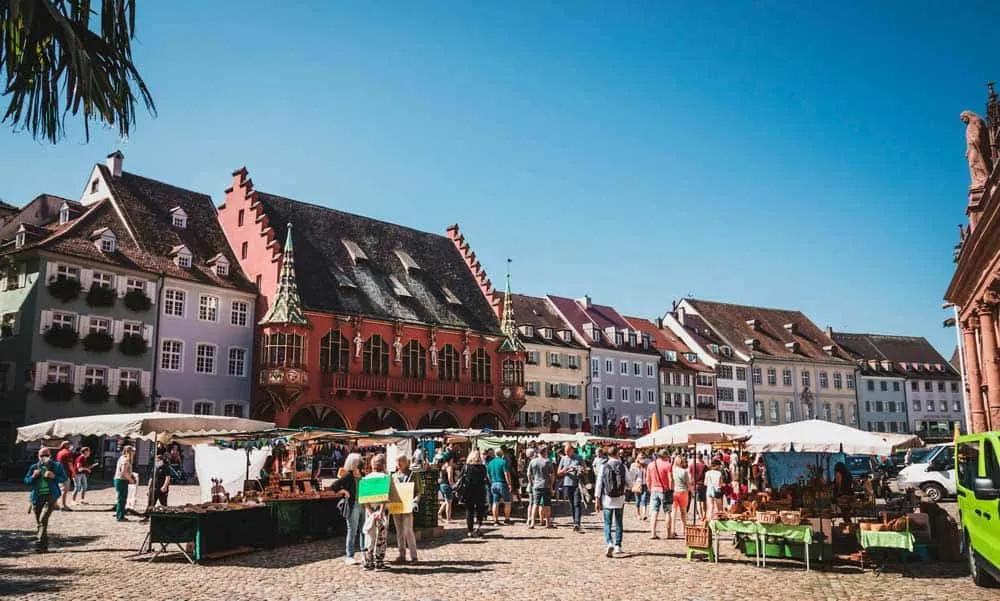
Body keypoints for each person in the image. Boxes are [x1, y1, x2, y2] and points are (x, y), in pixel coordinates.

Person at [23, 447, 67, 553]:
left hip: (51, 496)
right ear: (38, 456)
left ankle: (39, 544)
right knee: (40, 522)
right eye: (41, 455)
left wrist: (54, 476)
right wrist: (33, 476)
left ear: (50, 455)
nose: (43, 457)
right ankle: (44, 545)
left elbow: (64, 478)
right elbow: (26, 481)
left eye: (46, 455)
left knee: (43, 519)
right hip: (37, 496)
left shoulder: (57, 466)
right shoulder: (34, 467)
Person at [331, 452, 363, 565]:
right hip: (352, 505)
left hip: (363, 505)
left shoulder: (361, 474)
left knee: (364, 530)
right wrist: (344, 491)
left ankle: (365, 554)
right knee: (352, 531)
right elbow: (334, 486)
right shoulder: (348, 476)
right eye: (358, 462)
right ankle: (350, 555)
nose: (360, 464)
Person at [595, 446, 627, 557]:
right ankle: (618, 545)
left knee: (607, 523)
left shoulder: (604, 466)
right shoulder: (622, 466)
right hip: (620, 499)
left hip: (607, 499)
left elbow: (599, 484)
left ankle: (609, 542)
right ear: (617, 453)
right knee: (619, 522)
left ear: (607, 454)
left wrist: (597, 498)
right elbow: (629, 482)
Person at [361, 454, 389, 570]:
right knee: (381, 536)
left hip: (370, 511)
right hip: (381, 511)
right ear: (383, 465)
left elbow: (363, 499)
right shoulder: (384, 478)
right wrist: (381, 511)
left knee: (370, 535)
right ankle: (379, 561)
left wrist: (370, 511)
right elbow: (384, 496)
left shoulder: (366, 479)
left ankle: (368, 561)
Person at [391, 455, 419, 563]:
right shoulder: (393, 476)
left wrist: (415, 501)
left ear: (406, 462)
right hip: (397, 506)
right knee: (399, 532)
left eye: (400, 462)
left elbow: (418, 491)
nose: (398, 464)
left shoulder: (413, 474)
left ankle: (414, 556)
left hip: (407, 506)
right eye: (397, 462)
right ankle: (401, 555)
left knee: (408, 531)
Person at [460, 450, 488, 537]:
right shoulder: (483, 467)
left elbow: (460, 477)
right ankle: (478, 528)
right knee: (480, 510)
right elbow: (485, 478)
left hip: (468, 491)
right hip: (480, 491)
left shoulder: (466, 467)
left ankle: (470, 530)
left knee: (469, 511)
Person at [646, 448, 674, 539]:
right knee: (668, 511)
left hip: (654, 489)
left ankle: (653, 533)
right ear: (665, 456)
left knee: (654, 512)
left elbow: (648, 479)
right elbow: (670, 479)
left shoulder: (651, 465)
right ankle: (668, 534)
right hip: (665, 490)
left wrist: (650, 488)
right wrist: (671, 489)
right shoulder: (668, 465)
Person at [527, 444, 555, 528]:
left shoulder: (533, 461)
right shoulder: (547, 461)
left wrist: (531, 483)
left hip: (536, 485)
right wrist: (551, 485)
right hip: (546, 485)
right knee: (547, 505)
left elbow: (528, 474)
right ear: (545, 452)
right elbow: (552, 475)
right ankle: (548, 523)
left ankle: (532, 523)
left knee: (535, 504)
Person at [557, 443, 584, 531]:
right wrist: (565, 471)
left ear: (572, 450)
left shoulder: (578, 458)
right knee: (571, 503)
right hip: (567, 484)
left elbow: (585, 469)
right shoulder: (563, 459)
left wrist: (578, 469)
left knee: (577, 503)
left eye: (568, 451)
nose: (566, 453)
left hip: (577, 484)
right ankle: (574, 521)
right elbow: (558, 472)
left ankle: (577, 523)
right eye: (565, 451)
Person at [486, 446, 513, 525]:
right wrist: (509, 484)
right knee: (507, 502)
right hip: (502, 483)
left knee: (495, 502)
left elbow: (488, 474)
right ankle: (507, 519)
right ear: (502, 454)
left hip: (494, 483)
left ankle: (495, 520)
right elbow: (506, 474)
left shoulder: (490, 463)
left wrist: (491, 481)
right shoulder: (503, 462)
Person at [113, 446, 136, 521]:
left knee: (121, 498)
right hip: (122, 480)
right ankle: (120, 516)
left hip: (120, 480)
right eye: (133, 451)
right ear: (129, 452)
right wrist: (130, 479)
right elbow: (123, 472)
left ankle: (120, 514)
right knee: (122, 499)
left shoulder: (122, 458)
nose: (134, 453)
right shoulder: (125, 460)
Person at [671, 456, 690, 537]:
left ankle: (672, 530)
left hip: (674, 492)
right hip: (683, 492)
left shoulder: (672, 471)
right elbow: (687, 484)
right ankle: (684, 530)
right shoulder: (684, 472)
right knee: (683, 512)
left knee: (673, 512)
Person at [627, 453, 649, 521]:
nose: (642, 459)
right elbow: (631, 475)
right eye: (640, 458)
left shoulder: (646, 465)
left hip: (645, 484)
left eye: (643, 458)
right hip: (637, 484)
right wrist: (637, 467)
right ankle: (638, 514)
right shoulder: (634, 465)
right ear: (637, 458)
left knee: (644, 499)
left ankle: (644, 514)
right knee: (637, 500)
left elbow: (648, 474)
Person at [54, 441, 74, 510]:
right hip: (65, 473)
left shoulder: (59, 452)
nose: (71, 446)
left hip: (58, 472)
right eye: (70, 444)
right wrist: (74, 473)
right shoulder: (68, 453)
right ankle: (63, 505)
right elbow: (70, 464)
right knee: (64, 490)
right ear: (67, 445)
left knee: (58, 489)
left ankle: (55, 504)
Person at [437, 454, 456, 523]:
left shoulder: (443, 466)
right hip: (447, 485)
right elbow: (450, 479)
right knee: (449, 503)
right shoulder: (449, 467)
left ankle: (439, 513)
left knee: (446, 501)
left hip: (442, 485)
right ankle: (448, 519)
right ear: (450, 460)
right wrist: (453, 486)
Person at [689, 453, 707, 520]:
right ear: (702, 458)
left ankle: (700, 515)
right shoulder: (704, 466)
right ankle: (704, 515)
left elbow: (691, 476)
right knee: (703, 501)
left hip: (695, 485)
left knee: (698, 501)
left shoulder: (692, 465)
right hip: (703, 485)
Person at [523, 447, 538, 528]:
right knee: (535, 503)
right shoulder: (534, 461)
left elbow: (527, 473)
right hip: (535, 483)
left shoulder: (527, 461)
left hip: (531, 484)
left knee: (531, 503)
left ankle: (529, 519)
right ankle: (532, 519)